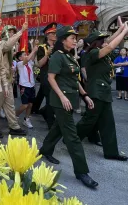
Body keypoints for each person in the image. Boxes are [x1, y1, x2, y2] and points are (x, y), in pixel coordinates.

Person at [38, 25, 98, 189]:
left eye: (75, 38)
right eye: (72, 38)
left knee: (59, 127)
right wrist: (62, 97)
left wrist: (85, 95)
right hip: (61, 100)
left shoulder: (69, 56)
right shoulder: (58, 56)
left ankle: (45, 149)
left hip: (71, 99)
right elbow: (51, 78)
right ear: (63, 40)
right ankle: (81, 172)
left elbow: (74, 79)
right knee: (72, 136)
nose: (75, 40)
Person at [76, 19, 128, 162]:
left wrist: (121, 30)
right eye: (102, 40)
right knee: (89, 120)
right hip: (96, 92)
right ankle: (72, 139)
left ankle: (111, 152)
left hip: (103, 93)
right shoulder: (92, 53)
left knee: (107, 123)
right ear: (96, 43)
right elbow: (110, 46)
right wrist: (123, 31)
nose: (106, 41)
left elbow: (110, 44)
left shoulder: (102, 54)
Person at [0, 24, 28, 137]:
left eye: (13, 32)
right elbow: (7, 46)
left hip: (8, 80)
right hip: (0, 81)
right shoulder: (1, 45)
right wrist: (21, 31)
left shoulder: (12, 48)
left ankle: (14, 126)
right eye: (9, 32)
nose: (12, 34)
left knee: (10, 104)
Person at [31, 23, 57, 127]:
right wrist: (47, 54)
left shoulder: (58, 46)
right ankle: (50, 123)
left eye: (55, 33)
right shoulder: (42, 47)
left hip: (57, 76)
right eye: (53, 33)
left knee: (52, 98)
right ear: (48, 35)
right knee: (50, 100)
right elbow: (40, 64)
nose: (55, 35)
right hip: (46, 76)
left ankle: (39, 110)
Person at [14, 45, 39, 129]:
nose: (27, 55)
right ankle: (15, 116)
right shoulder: (20, 64)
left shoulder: (30, 63)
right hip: (24, 86)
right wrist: (33, 50)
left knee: (30, 104)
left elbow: (32, 57)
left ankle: (26, 119)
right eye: (24, 55)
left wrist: (34, 47)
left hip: (31, 85)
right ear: (20, 58)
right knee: (25, 105)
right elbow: (27, 59)